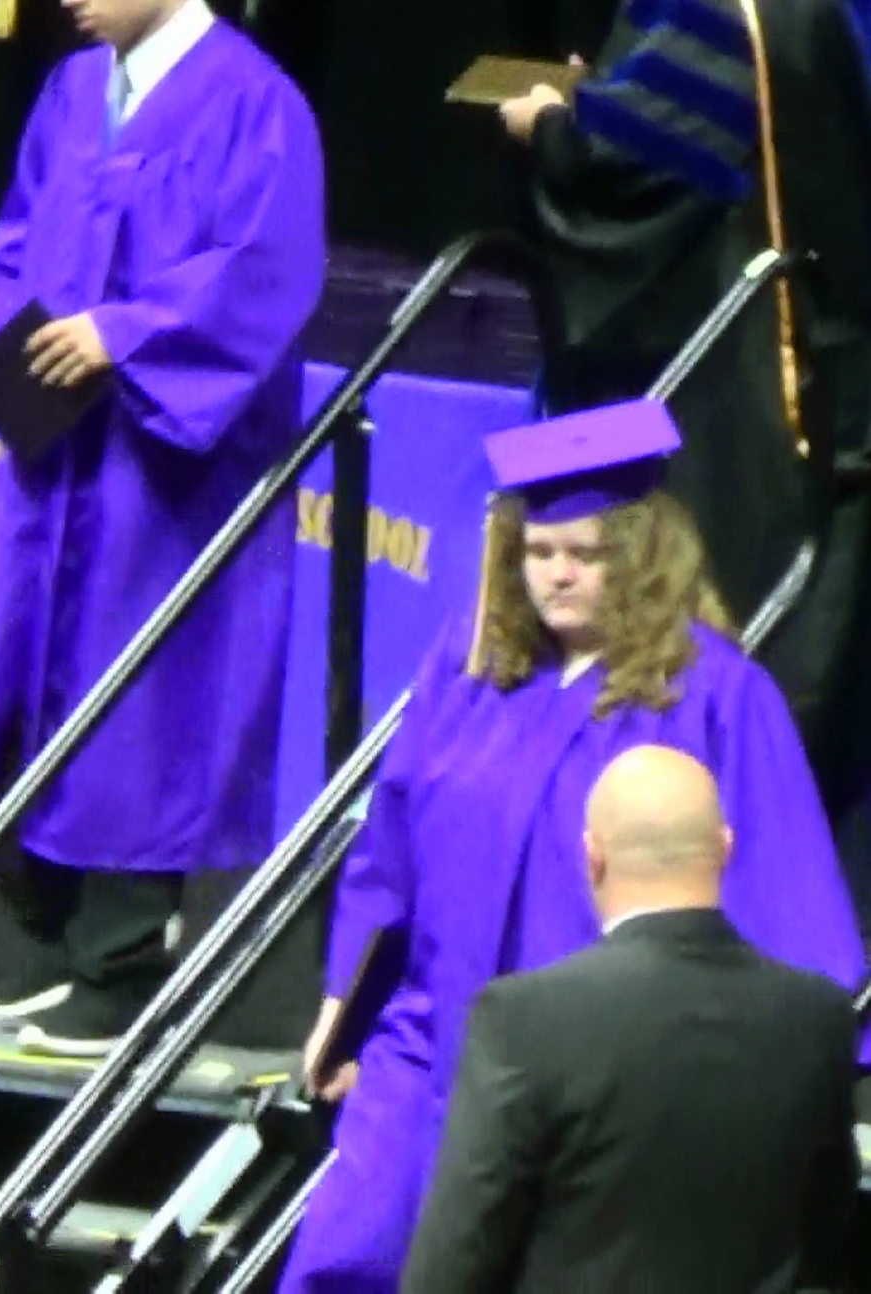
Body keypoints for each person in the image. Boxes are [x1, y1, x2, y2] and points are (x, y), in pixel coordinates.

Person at [277, 398, 867, 1293]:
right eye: (538, 552)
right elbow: (390, 845)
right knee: (350, 1253)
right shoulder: (472, 672)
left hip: (602, 1071)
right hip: (432, 1045)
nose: (556, 575)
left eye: (584, 555)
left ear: (640, 558)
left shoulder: (714, 694)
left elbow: (785, 894)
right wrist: (341, 1006)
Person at [0, 0, 325, 1055]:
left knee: (143, 699)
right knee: (6, 670)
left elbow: (263, 272)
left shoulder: (257, 104)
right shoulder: (74, 89)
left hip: (159, 467)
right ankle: (46, 943)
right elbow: (14, 237)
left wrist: (122, 333)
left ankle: (121, 967)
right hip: (51, 449)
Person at [496, 0, 871, 936]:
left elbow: (628, 168)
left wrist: (553, 126)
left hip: (743, 406)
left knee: (738, 678)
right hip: (822, 387)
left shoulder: (715, 8)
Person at [403, 745, 859, 1294]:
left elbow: (451, 1267)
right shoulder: (819, 1017)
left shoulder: (522, 1019)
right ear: (725, 850)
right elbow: (831, 1245)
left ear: (592, 858)